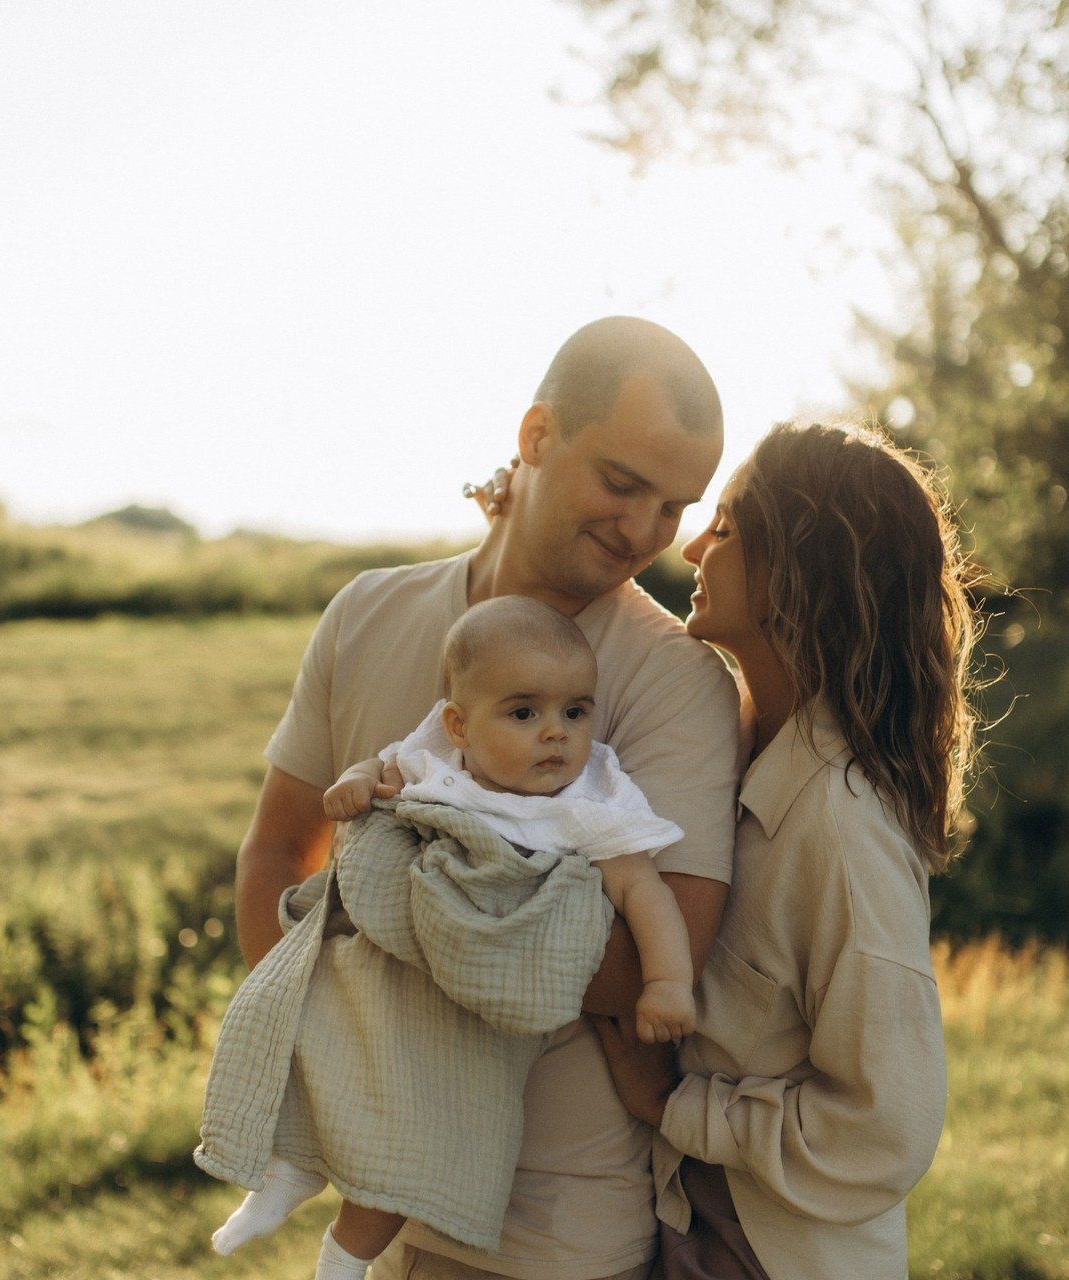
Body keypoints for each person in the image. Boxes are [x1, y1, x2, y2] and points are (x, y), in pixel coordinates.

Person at [219, 316, 742, 1280]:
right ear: (536, 437)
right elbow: (277, 848)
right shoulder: (367, 611)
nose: (643, 532)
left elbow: (656, 962)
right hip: (387, 1219)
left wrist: (409, 908)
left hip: (548, 1237)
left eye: (674, 507)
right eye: (622, 484)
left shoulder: (678, 679)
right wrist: (317, 1054)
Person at [201, 595, 699, 1278]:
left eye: (575, 712)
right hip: (386, 976)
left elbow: (645, 891)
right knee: (317, 1048)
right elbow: (375, 774)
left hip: (470, 1015)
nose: (556, 734)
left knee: (416, 1139)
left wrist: (668, 982)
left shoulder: (589, 801)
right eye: (524, 713)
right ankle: (286, 1176)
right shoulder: (436, 763)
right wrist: (352, 786)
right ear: (458, 725)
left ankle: (342, 1260)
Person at [593, 420, 982, 1279]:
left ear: (798, 573)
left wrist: (676, 1107)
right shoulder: (733, 745)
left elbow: (888, 1125)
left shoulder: (841, 828)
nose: (694, 546)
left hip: (781, 1256)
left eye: (726, 528)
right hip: (701, 1227)